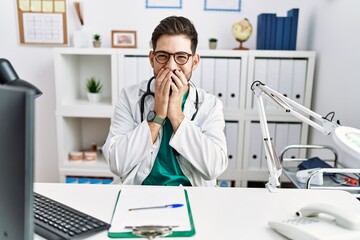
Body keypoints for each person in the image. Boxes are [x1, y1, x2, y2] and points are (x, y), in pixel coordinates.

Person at [102, 16, 228, 187]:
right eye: (163, 56)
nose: (171, 66)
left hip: (192, 196)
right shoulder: (129, 97)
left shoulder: (210, 105)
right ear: (152, 59)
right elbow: (117, 164)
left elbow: (214, 168)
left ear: (195, 61)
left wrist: (176, 114)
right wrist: (158, 115)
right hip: (138, 194)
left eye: (181, 57)